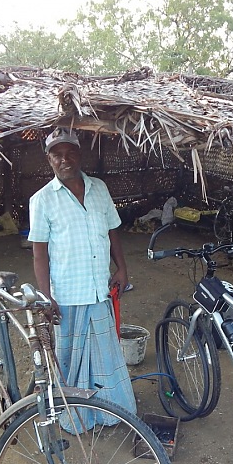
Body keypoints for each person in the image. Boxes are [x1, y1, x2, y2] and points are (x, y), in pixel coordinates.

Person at [28, 128, 137, 428]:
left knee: (105, 357)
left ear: (80, 154)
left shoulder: (99, 189)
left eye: (70, 153)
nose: (65, 160)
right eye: (57, 155)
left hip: (99, 290)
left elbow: (112, 230)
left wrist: (122, 269)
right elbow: (40, 254)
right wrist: (45, 295)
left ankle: (110, 413)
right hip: (67, 295)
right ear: (49, 160)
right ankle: (75, 417)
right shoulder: (42, 201)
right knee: (69, 361)